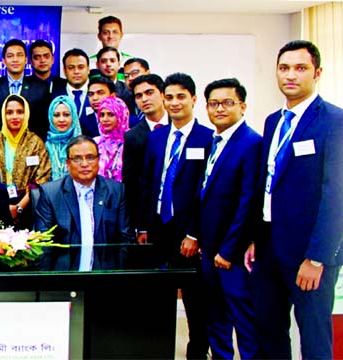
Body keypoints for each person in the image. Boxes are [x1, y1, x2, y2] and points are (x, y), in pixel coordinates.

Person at [250, 40, 343, 360]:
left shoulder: (338, 121)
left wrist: (317, 258)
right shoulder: (273, 121)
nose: (290, 76)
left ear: (317, 72)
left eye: (300, 68)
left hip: (309, 255)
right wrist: (257, 237)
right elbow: (268, 183)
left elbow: (339, 194)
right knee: (269, 332)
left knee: (313, 338)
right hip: (269, 248)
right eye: (284, 68)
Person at [139, 72, 212, 359]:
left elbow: (206, 193)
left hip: (188, 235)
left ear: (194, 99)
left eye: (180, 96)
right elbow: (148, 183)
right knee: (158, 300)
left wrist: (194, 233)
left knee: (196, 303)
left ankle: (197, 353)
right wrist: (143, 225)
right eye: (169, 97)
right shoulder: (156, 137)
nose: (174, 103)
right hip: (158, 230)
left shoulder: (208, 138)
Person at [186, 78, 260, 359]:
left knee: (243, 322)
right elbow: (204, 195)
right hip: (209, 252)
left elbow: (247, 202)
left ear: (242, 106)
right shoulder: (215, 141)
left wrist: (229, 250)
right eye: (213, 103)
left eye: (227, 103)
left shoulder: (251, 143)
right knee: (215, 319)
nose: (219, 109)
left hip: (232, 256)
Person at [35, 135, 133, 271]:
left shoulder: (116, 191)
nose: (85, 164)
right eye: (77, 159)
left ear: (99, 160)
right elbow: (43, 244)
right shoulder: (51, 193)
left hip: (105, 274)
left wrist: (118, 279)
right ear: (68, 164)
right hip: (64, 275)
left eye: (90, 157)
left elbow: (125, 240)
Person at [0, 94, 51, 227]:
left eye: (20, 112)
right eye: (9, 112)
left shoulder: (35, 143)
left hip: (29, 206)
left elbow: (42, 178)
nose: (14, 117)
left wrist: (19, 207)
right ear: (3, 115)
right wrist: (5, 207)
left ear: (26, 114)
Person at [125, 74, 167, 240]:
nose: (144, 99)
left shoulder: (179, 126)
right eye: (139, 96)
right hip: (150, 217)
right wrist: (140, 226)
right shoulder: (132, 137)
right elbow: (132, 185)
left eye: (150, 92)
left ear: (162, 94)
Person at [0, 39, 50, 140]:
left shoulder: (41, 88)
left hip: (32, 145)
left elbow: (44, 122)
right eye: (10, 56)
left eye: (19, 55)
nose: (15, 60)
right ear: (4, 61)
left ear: (26, 59)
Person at [46, 95, 82, 181]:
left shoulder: (82, 145)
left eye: (66, 115)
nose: (61, 120)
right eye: (56, 115)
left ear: (73, 117)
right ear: (51, 117)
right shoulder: (44, 147)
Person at [94, 96, 130, 182]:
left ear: (121, 115)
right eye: (102, 115)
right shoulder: (95, 143)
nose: (105, 119)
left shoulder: (131, 141)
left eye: (111, 114)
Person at [51, 48, 91, 124]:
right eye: (71, 68)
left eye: (81, 67)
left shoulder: (98, 92)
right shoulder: (54, 96)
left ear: (88, 69)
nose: (76, 71)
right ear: (64, 71)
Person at [89, 16, 133, 80]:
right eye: (106, 33)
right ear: (99, 36)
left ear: (121, 35)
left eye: (115, 32)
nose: (110, 36)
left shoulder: (131, 62)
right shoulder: (89, 63)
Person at [95, 47, 135, 115]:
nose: (108, 64)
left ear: (119, 64)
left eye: (112, 61)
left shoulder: (127, 90)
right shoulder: (90, 89)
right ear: (97, 65)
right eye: (104, 61)